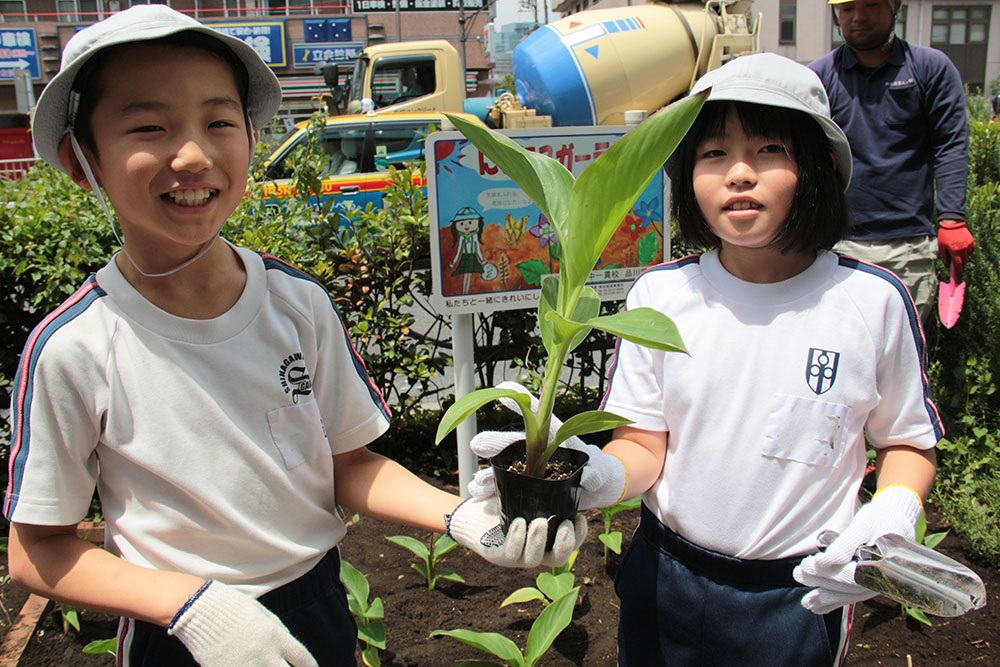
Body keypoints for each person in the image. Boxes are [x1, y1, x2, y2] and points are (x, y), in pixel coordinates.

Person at [4, 7, 585, 667]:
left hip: (316, 604)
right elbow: (37, 549)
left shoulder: (296, 303)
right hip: (181, 627)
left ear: (250, 141)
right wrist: (190, 605)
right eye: (148, 126)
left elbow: (347, 465)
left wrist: (461, 517)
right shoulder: (76, 346)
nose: (192, 153)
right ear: (84, 161)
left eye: (219, 121)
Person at [469, 52, 940, 666]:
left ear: (819, 167)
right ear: (688, 173)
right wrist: (594, 474)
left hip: (798, 592)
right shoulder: (661, 297)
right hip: (667, 574)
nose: (738, 173)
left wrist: (893, 513)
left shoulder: (870, 301)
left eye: (771, 149)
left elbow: (908, 441)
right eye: (713, 153)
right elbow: (644, 446)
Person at [810, 0, 975, 322]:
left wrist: (952, 217)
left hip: (908, 244)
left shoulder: (930, 68)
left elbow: (951, 144)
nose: (858, 17)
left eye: (871, 4)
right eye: (846, 9)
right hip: (837, 243)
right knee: (843, 351)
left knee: (905, 355)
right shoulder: (819, 77)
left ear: (895, 6)